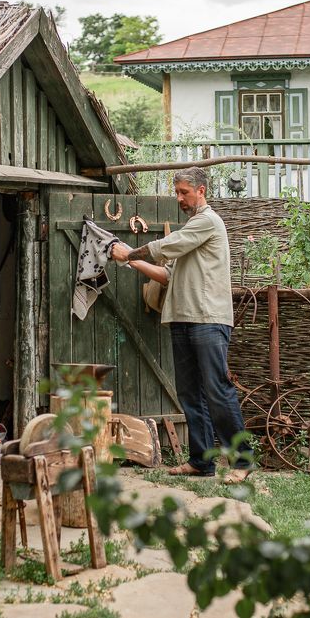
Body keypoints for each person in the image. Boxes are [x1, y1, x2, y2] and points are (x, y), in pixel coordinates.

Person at [110, 167, 252, 483]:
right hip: (182, 318)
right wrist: (132, 261)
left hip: (207, 319)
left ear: (201, 190)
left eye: (184, 192)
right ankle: (202, 461)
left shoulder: (207, 221)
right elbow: (167, 274)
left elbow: (164, 247)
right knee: (190, 394)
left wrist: (129, 252)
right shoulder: (191, 230)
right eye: (176, 192)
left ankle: (242, 461)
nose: (179, 198)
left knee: (217, 390)